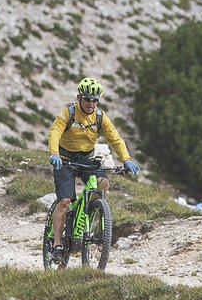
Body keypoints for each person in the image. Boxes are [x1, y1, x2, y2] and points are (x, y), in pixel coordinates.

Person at [47, 77, 140, 252]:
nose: (91, 103)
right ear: (79, 97)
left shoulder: (99, 117)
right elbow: (55, 132)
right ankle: (57, 243)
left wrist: (126, 159)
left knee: (103, 183)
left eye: (95, 100)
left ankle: (91, 213)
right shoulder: (69, 112)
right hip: (65, 160)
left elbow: (115, 138)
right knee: (65, 201)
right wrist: (54, 153)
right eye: (88, 98)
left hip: (87, 159)